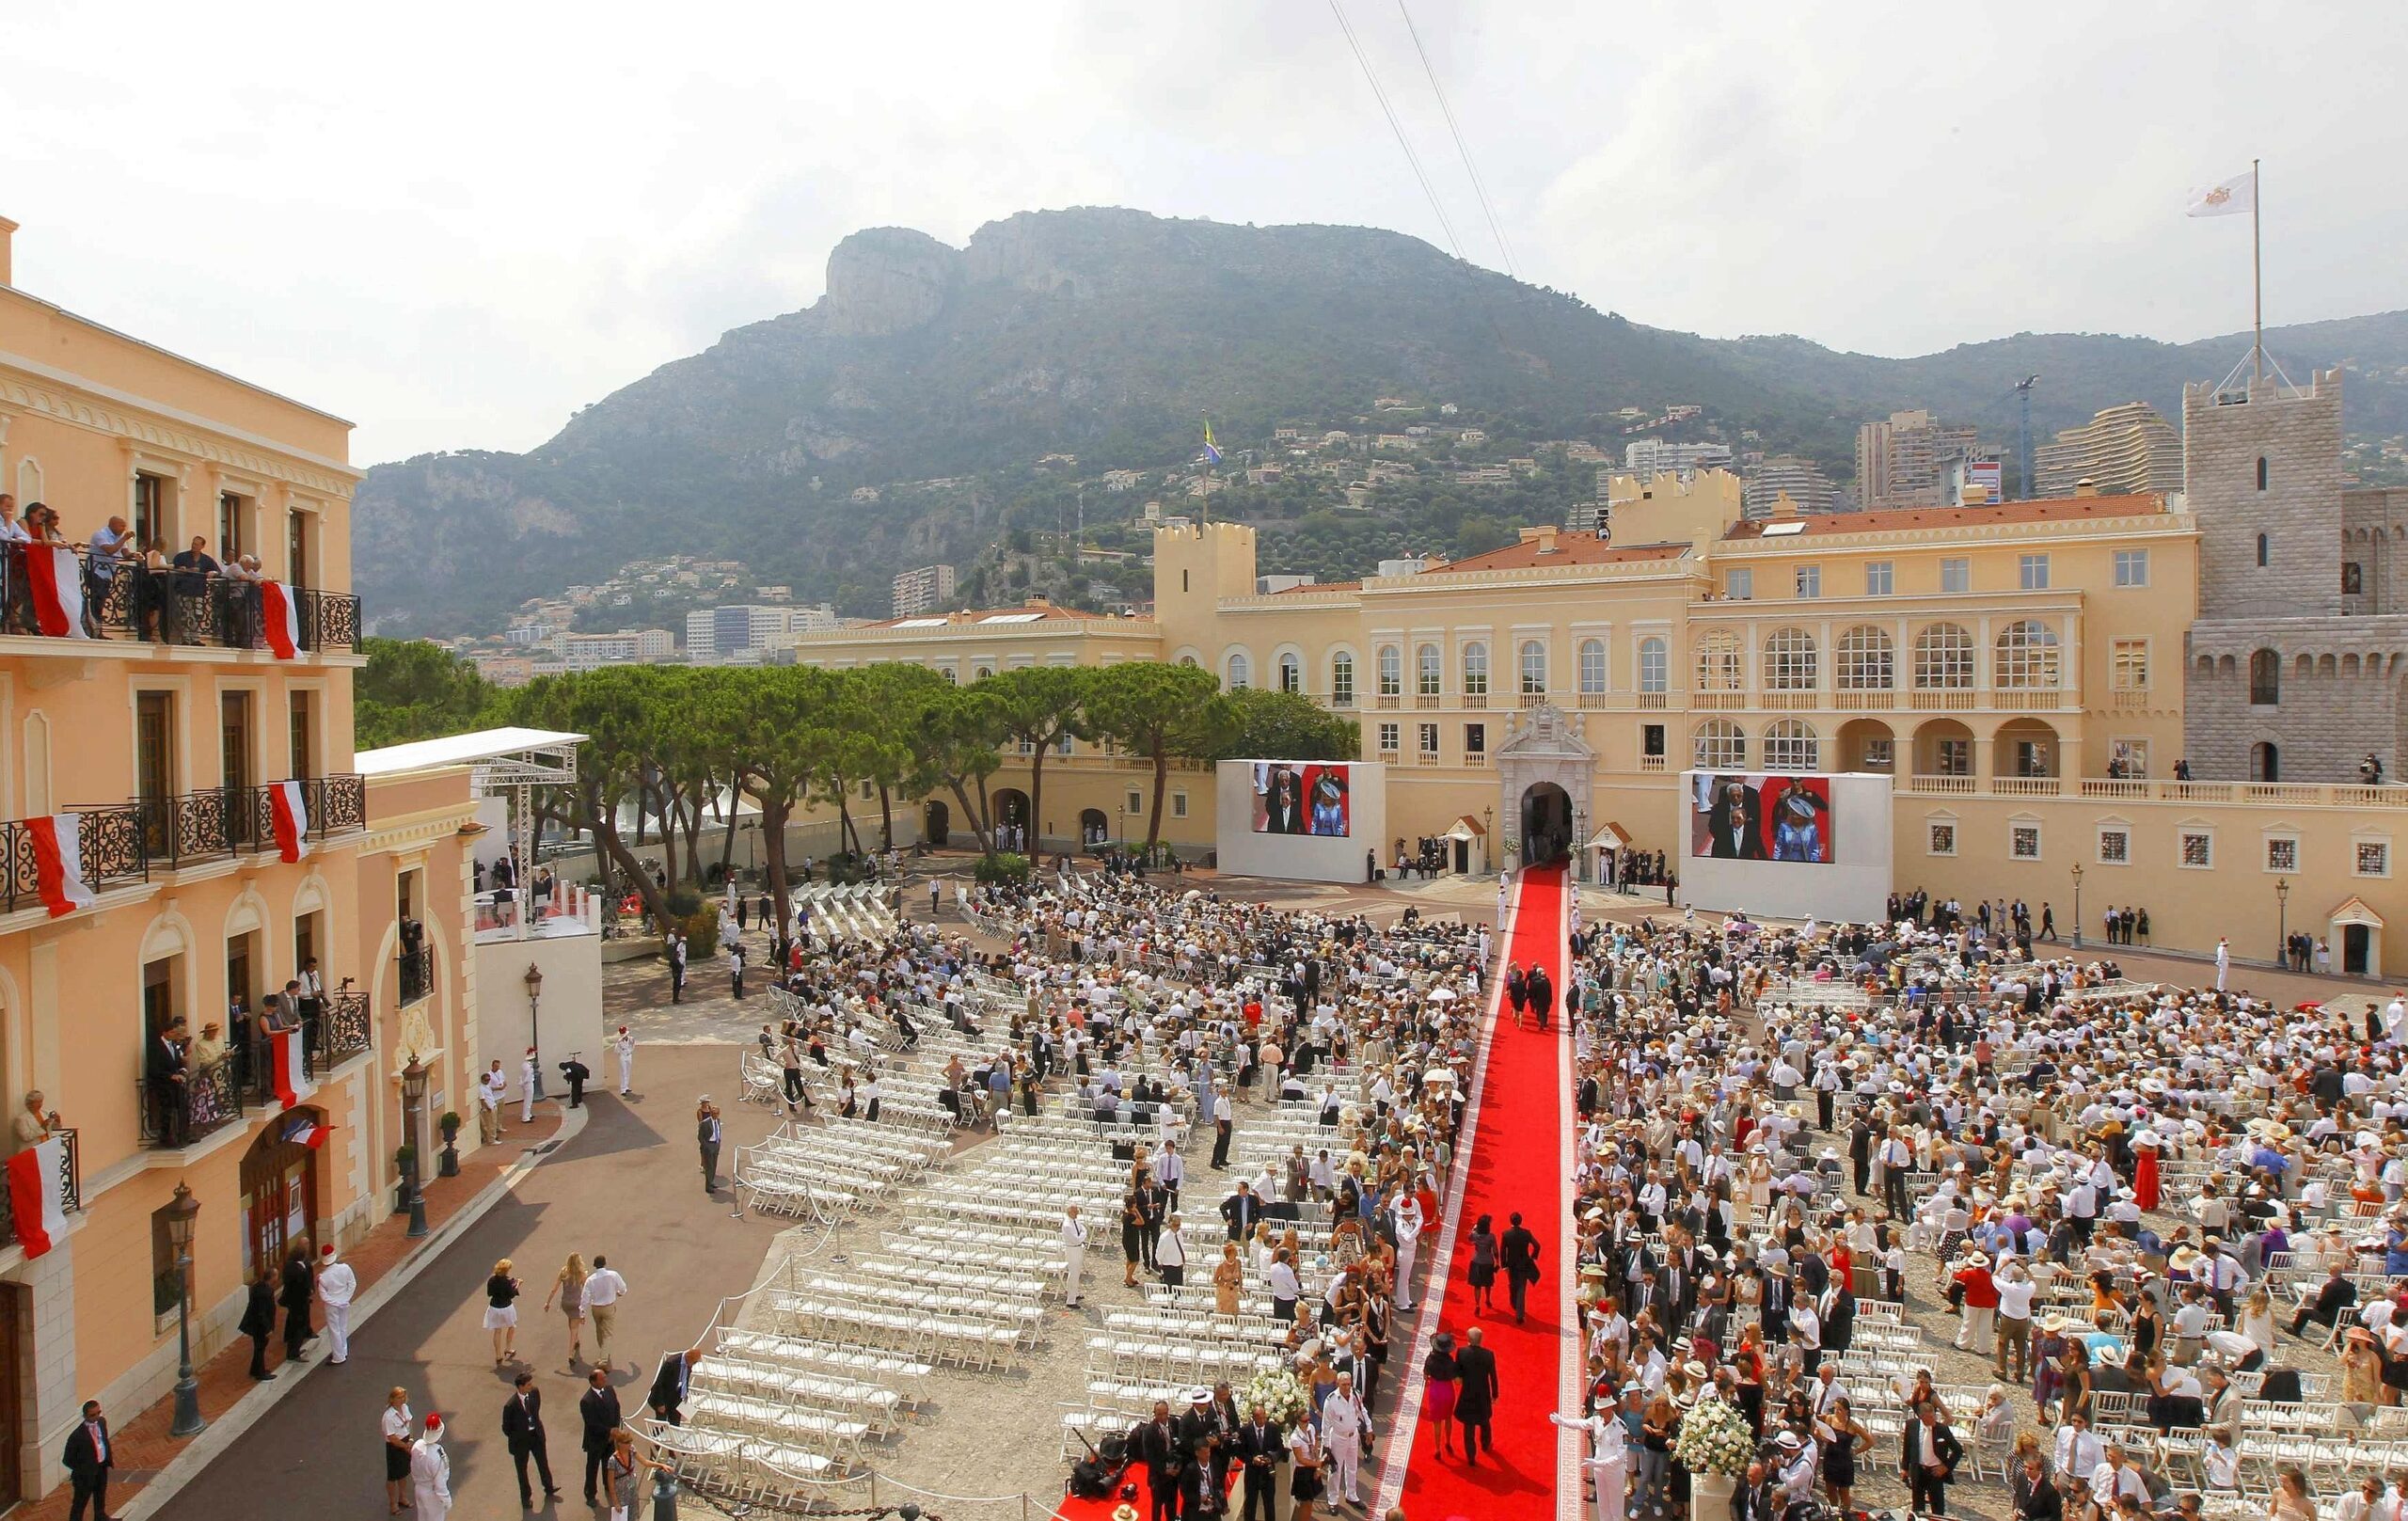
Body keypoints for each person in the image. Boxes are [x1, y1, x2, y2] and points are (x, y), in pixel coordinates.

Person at [502, 1370, 561, 1509]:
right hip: (521, 1442)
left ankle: (548, 1486)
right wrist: (519, 1434)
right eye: (528, 1384)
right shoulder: (510, 1405)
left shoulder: (534, 1393)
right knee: (522, 1471)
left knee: (543, 1462)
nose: (531, 1386)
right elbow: (506, 1428)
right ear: (520, 1387)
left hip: (536, 1436)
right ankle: (526, 1498)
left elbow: (536, 1410)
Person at [1901, 1402, 1963, 1516]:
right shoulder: (1912, 1426)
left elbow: (1958, 1450)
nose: (1933, 1419)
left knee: (1937, 1506)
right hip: (1918, 1470)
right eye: (1930, 1417)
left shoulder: (1942, 1429)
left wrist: (1946, 1467)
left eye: (1934, 1415)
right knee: (1917, 1506)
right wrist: (1904, 1468)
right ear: (1921, 1416)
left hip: (1935, 1472)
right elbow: (1907, 1447)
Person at [1453, 1325, 1500, 1465]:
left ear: (1468, 1339)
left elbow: (1458, 1372)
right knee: (1485, 1421)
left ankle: (1471, 1457)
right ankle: (1485, 1445)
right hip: (1483, 1394)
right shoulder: (1488, 1355)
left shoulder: (1461, 1353)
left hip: (1467, 1393)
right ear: (1481, 1339)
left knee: (1469, 1427)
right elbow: (1493, 1376)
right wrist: (1495, 1394)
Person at [578, 1366, 623, 1503]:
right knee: (592, 1468)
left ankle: (608, 1486)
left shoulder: (609, 1390)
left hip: (610, 1438)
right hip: (596, 1441)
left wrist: (615, 1427)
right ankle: (590, 1494)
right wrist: (608, 1431)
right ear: (593, 1382)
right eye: (602, 1378)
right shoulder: (587, 1401)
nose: (605, 1380)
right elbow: (591, 1423)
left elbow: (616, 1408)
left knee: (608, 1465)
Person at [62, 1398, 111, 1521]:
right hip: (85, 1475)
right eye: (92, 1415)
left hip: (101, 1468)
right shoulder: (77, 1436)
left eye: (98, 1413)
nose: (96, 1417)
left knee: (100, 1496)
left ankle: (100, 1517)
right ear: (85, 1416)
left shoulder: (102, 1422)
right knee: (80, 1503)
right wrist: (83, 1469)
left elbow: (103, 1441)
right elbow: (67, 1459)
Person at [1237, 1402, 1286, 1521]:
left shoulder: (1273, 1428)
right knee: (1250, 1505)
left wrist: (1271, 1458)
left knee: (1269, 1505)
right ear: (1253, 1417)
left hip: (1268, 1473)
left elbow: (1280, 1449)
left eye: (1264, 1416)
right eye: (1259, 1417)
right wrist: (1252, 1460)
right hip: (1252, 1473)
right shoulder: (1245, 1431)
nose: (1262, 1420)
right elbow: (1240, 1452)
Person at [545, 1252, 592, 1363]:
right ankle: (570, 1354)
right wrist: (585, 1308)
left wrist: (548, 1302)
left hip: (565, 1303)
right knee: (574, 1329)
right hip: (576, 1304)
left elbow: (554, 1289)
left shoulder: (563, 1272)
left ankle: (577, 1340)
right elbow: (586, 1291)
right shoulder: (581, 1274)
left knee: (571, 1320)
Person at [582, 1254, 626, 1370]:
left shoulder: (590, 1279)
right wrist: (620, 1293)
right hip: (608, 1307)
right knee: (607, 1333)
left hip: (595, 1308)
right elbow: (623, 1288)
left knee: (599, 1330)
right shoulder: (613, 1275)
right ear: (605, 1263)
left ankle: (603, 1352)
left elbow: (585, 1297)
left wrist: (582, 1312)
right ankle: (603, 1359)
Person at [1421, 1332, 1461, 1459]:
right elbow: (1457, 1382)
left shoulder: (1430, 1359)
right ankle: (1448, 1442)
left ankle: (1437, 1448)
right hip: (1448, 1391)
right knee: (1448, 1418)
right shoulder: (1451, 1362)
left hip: (1435, 1391)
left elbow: (1425, 1377)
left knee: (1437, 1422)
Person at [1501, 1211, 1544, 1323]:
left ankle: (1514, 1304)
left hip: (1511, 1265)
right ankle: (1519, 1314)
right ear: (1521, 1221)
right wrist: (1533, 1257)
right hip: (1524, 1264)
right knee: (1521, 1289)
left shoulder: (1506, 1234)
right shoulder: (1526, 1233)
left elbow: (1502, 1251)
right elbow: (1537, 1245)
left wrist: (1504, 1265)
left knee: (1513, 1285)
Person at [240, 1262, 279, 1380]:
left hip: (256, 1323)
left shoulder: (259, 1287)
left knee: (259, 1347)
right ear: (272, 1277)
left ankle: (255, 1369)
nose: (277, 1278)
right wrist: (267, 1328)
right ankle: (260, 1373)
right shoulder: (265, 1292)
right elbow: (262, 1313)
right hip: (260, 1326)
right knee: (260, 1348)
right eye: (276, 1275)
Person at [318, 1243, 356, 1365]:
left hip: (332, 1305)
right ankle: (343, 1350)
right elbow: (352, 1284)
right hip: (344, 1302)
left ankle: (338, 1356)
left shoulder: (323, 1277)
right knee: (343, 1327)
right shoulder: (345, 1268)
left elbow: (323, 1296)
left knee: (334, 1330)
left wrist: (336, 1302)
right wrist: (345, 1299)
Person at [411, 1414, 452, 1521]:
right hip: (432, 1493)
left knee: (423, 1518)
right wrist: (446, 1499)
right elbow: (440, 1483)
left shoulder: (417, 1445)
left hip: (419, 1488)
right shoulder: (437, 1455)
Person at [279, 1242, 316, 1361]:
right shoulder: (300, 1271)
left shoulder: (289, 1266)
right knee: (299, 1327)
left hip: (291, 1302)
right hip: (300, 1303)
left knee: (293, 1325)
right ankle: (294, 1353)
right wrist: (309, 1292)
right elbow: (303, 1288)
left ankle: (292, 1350)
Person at [383, 1387, 416, 1516]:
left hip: (406, 1442)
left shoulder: (405, 1408)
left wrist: (411, 1439)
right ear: (392, 1399)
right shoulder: (388, 1416)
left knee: (403, 1473)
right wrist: (405, 1446)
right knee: (392, 1476)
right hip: (395, 1447)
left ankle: (402, 1497)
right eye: (399, 1397)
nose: (402, 1399)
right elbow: (391, 1437)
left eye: (403, 1397)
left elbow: (410, 1423)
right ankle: (393, 1504)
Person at [648, 1345, 700, 1426]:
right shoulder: (671, 1363)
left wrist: (684, 1396)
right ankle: (657, 1437)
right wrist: (660, 1404)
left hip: (676, 1397)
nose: (693, 1365)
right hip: (662, 1398)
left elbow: (685, 1380)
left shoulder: (688, 1365)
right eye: (694, 1362)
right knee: (661, 1425)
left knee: (677, 1423)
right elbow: (659, 1384)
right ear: (688, 1358)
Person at [485, 1258, 523, 1365]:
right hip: (506, 1307)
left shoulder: (491, 1280)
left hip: (494, 1307)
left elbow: (489, 1294)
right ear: (506, 1270)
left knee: (497, 1330)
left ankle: (498, 1355)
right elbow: (511, 1294)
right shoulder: (507, 1282)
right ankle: (508, 1348)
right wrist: (518, 1284)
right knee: (511, 1326)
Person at [1466, 1214, 1500, 1315]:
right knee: (1488, 1284)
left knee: (1477, 1286)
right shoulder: (1491, 1237)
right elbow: (1495, 1251)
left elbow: (1469, 1238)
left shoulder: (1475, 1235)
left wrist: (1474, 1228)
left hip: (1476, 1261)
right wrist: (1497, 1262)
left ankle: (1477, 1305)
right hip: (1488, 1262)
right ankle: (1488, 1299)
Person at [1061, 1204, 1088, 1309]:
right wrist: (1083, 1235)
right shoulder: (1067, 1225)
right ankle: (1070, 1299)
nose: (1077, 1212)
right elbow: (1077, 1238)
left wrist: (1082, 1235)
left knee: (1076, 1273)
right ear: (1070, 1212)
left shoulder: (1076, 1221)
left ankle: (1075, 1293)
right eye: (1075, 1211)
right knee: (1073, 1274)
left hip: (1078, 1248)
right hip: (1072, 1249)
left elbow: (1083, 1229)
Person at [697, 1099, 722, 1194]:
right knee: (709, 1166)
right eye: (715, 1113)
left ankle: (711, 1182)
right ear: (711, 1113)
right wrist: (706, 1146)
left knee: (714, 1165)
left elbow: (718, 1131)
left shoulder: (718, 1121)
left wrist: (718, 1141)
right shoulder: (705, 1123)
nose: (716, 1115)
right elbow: (700, 1137)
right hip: (709, 1146)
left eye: (717, 1113)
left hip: (716, 1145)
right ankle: (708, 1187)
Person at [615, 1025, 637, 1095]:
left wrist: (630, 1051)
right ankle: (622, 1089)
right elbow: (616, 1051)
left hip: (629, 1055)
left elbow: (633, 1046)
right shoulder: (619, 1041)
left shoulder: (631, 1039)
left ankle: (626, 1086)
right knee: (623, 1072)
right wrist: (621, 1050)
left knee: (628, 1071)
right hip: (623, 1056)